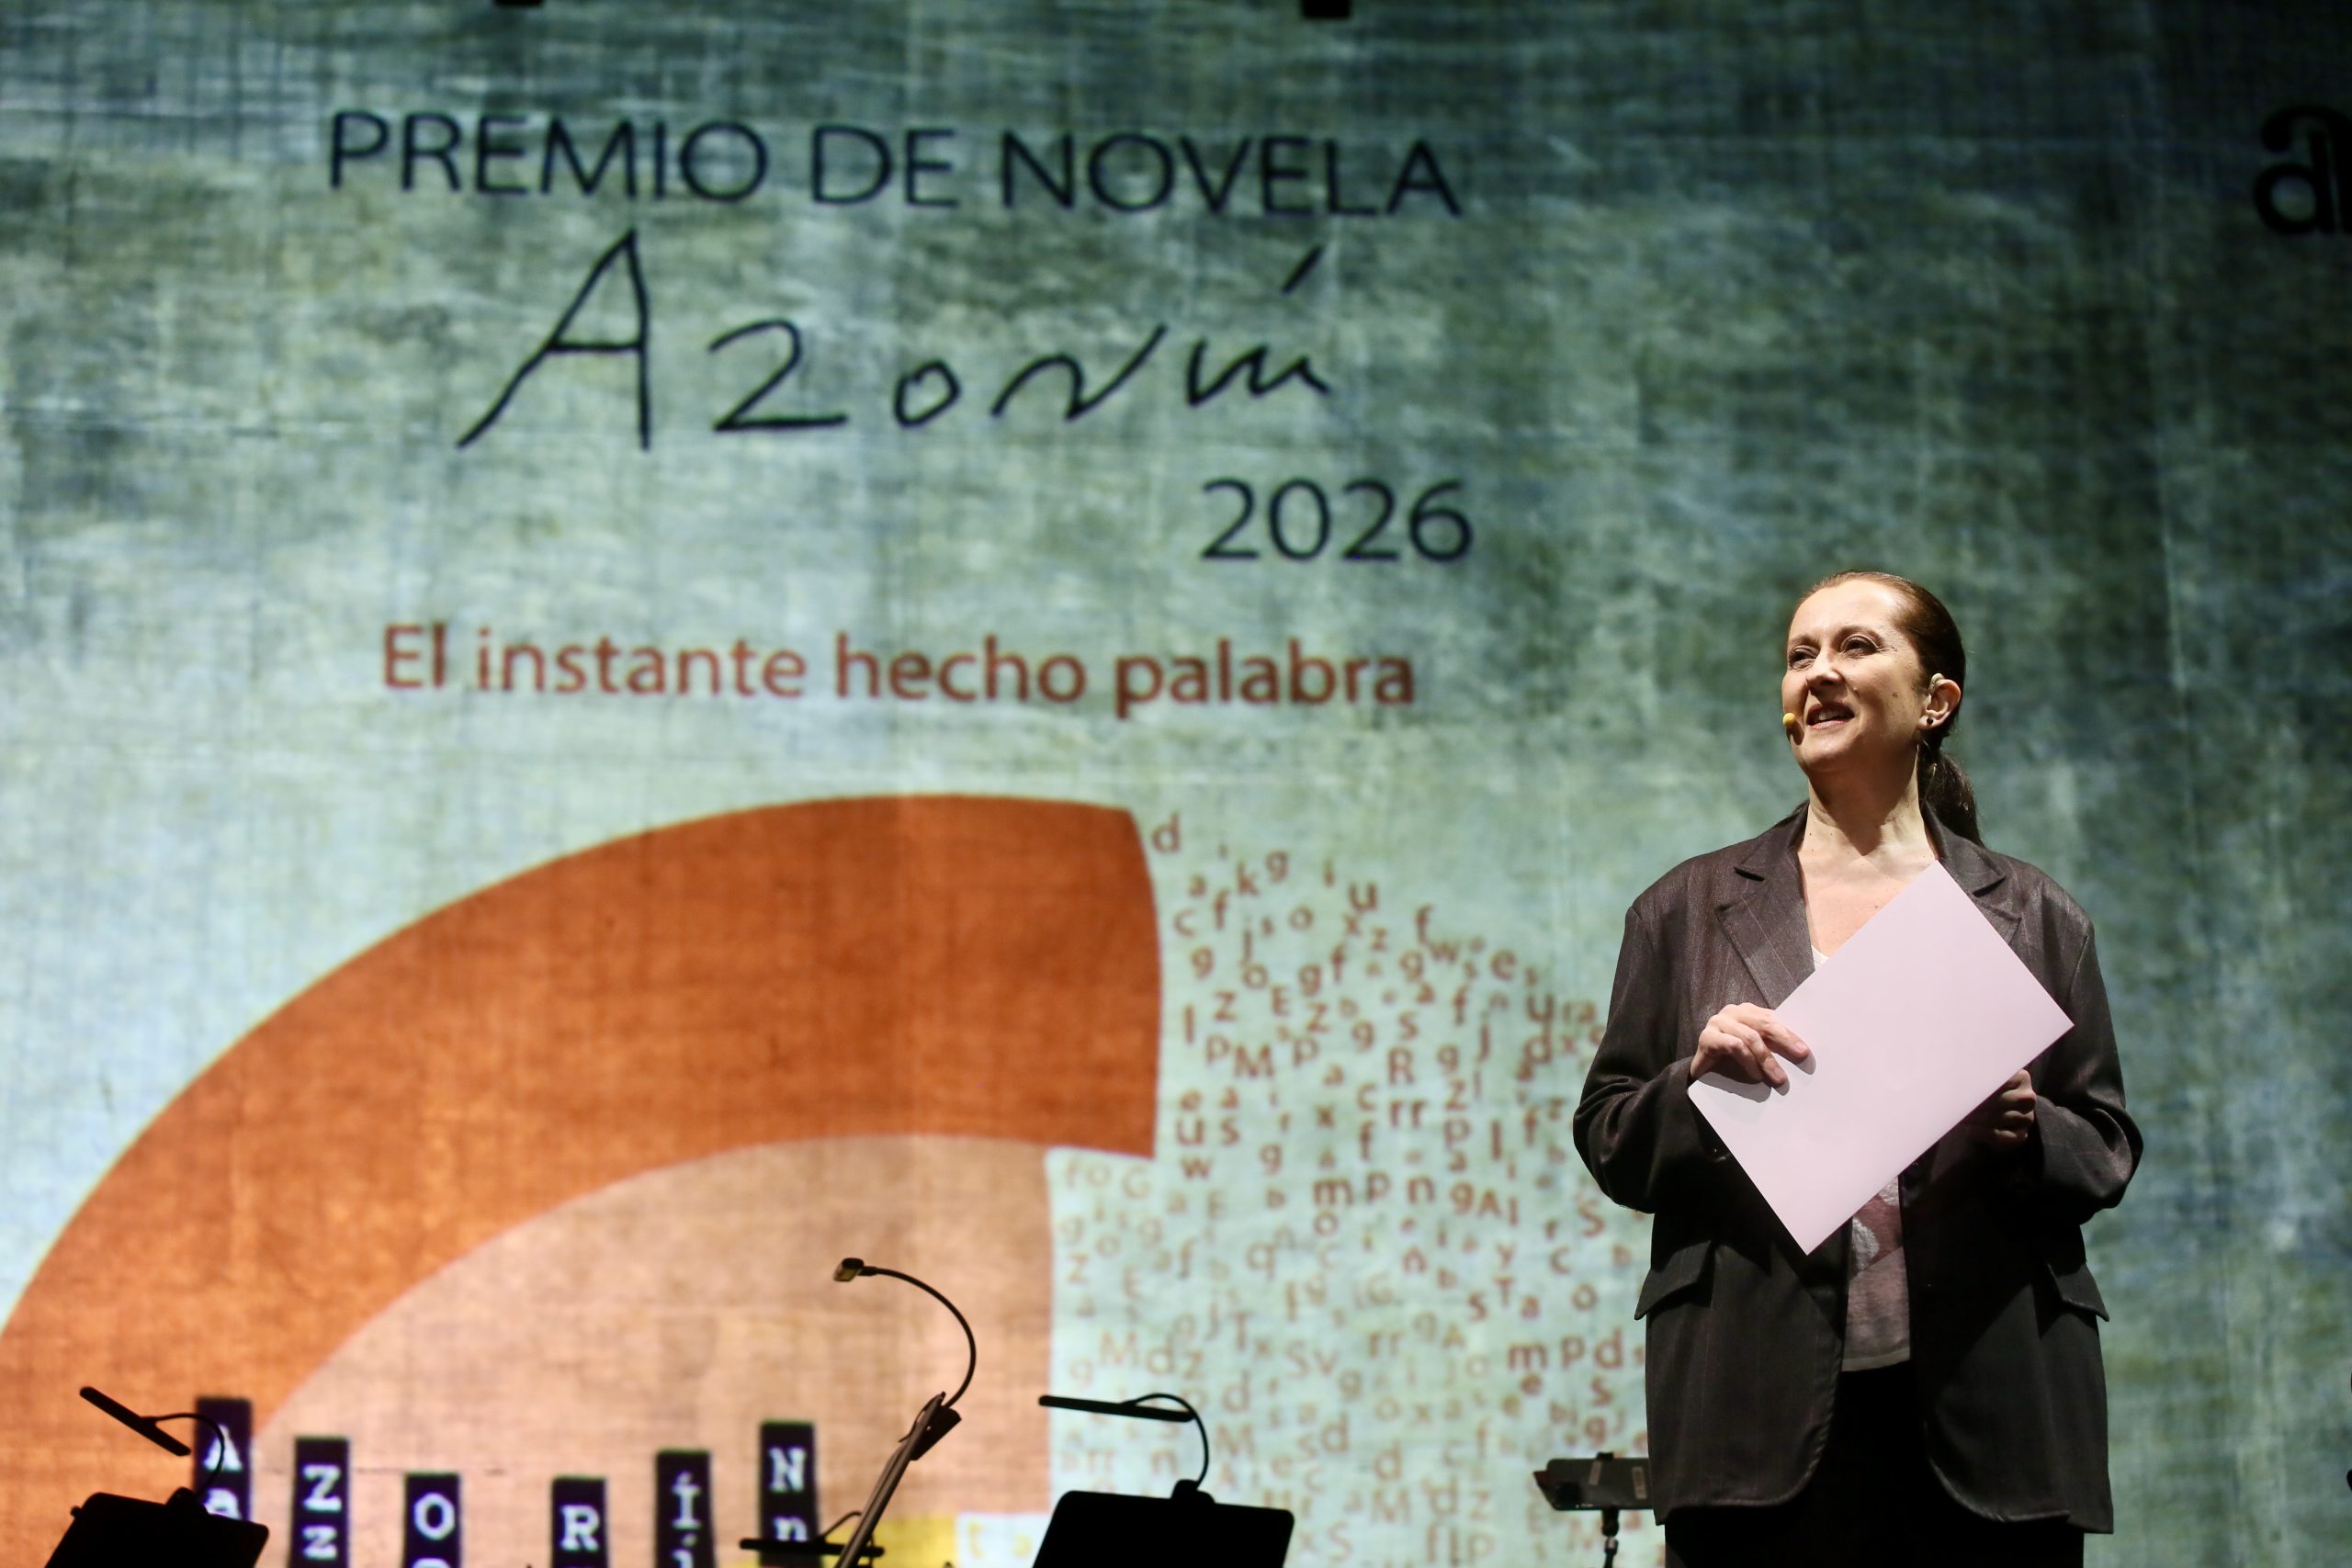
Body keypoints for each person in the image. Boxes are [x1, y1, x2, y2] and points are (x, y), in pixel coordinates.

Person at [1572, 570, 2141, 1568]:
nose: (1819, 672)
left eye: (1855, 646)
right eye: (1801, 655)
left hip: (1992, 1406)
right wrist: (1697, 1084)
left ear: (1936, 701)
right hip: (1758, 1413)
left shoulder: (2033, 915)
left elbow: (2104, 1144)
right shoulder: (1686, 909)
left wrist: (2026, 1127)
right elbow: (1611, 1137)